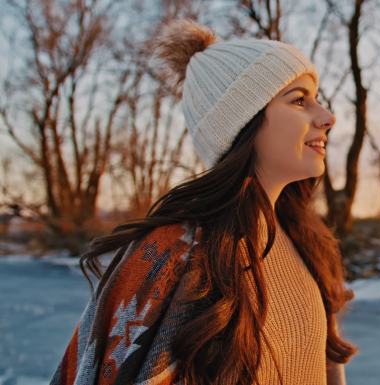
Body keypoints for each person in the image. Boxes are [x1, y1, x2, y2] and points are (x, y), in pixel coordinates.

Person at [49, 18, 358, 385]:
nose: (327, 117)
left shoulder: (307, 243)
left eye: (317, 100)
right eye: (299, 101)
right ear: (243, 123)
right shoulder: (176, 251)